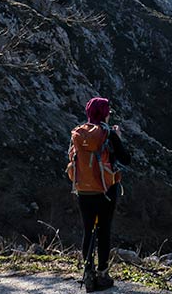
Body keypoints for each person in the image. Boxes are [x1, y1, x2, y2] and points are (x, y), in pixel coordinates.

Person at [69, 96, 130, 292]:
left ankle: (88, 272)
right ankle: (103, 274)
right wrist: (117, 138)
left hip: (83, 189)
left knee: (88, 230)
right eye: (108, 113)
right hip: (105, 190)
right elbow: (126, 159)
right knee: (103, 230)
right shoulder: (108, 133)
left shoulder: (79, 133)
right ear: (104, 114)